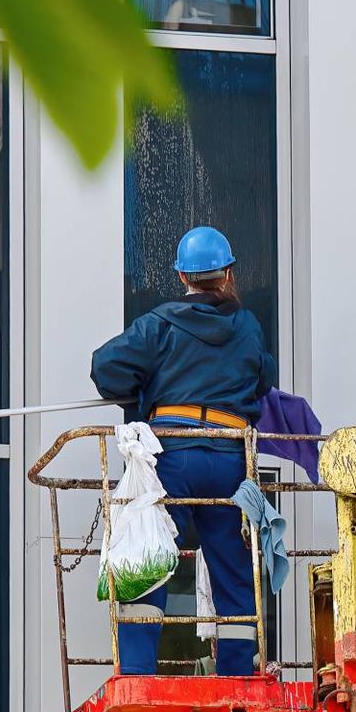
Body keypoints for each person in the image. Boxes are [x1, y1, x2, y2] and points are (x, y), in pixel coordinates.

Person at [90, 226, 276, 676]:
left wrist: (141, 397)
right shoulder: (247, 327)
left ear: (182, 277)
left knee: (147, 552)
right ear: (227, 273)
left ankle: (137, 670)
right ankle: (237, 671)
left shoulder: (160, 324)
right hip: (230, 459)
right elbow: (263, 381)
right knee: (232, 565)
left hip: (173, 455)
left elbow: (105, 367)